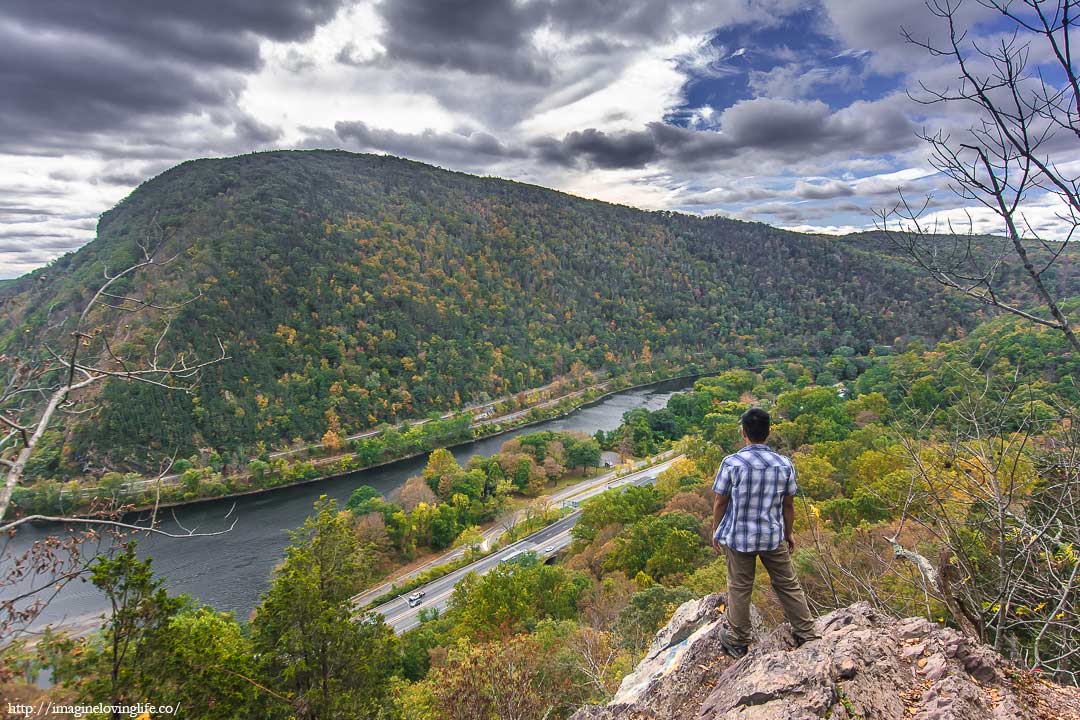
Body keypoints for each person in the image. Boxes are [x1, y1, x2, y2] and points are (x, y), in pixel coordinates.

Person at [711, 407, 818, 657]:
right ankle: (807, 632)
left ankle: (738, 639)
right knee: (788, 584)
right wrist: (788, 533)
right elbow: (788, 505)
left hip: (738, 537)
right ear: (768, 433)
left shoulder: (732, 463)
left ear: (743, 432)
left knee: (739, 586)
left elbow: (720, 501)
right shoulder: (783, 464)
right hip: (772, 535)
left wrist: (716, 529)